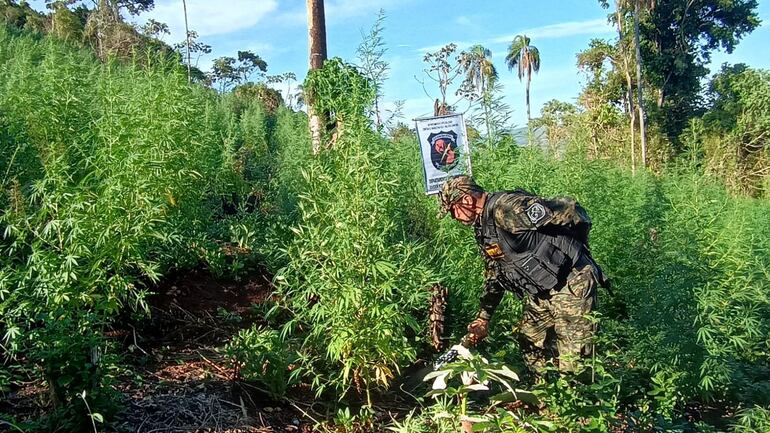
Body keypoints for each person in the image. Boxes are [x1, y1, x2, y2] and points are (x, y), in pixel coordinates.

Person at [438, 174, 608, 373]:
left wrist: (578, 245)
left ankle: (575, 399)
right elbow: (495, 274)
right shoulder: (484, 227)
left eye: (452, 210)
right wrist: (483, 318)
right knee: (531, 343)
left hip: (572, 280)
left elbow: (568, 209)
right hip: (541, 291)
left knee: (574, 358)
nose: (453, 217)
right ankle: (545, 398)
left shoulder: (506, 209)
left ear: (466, 200)